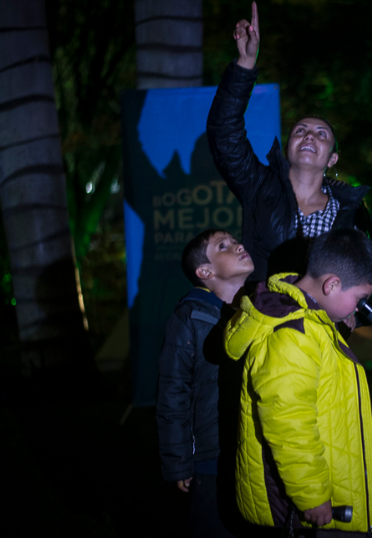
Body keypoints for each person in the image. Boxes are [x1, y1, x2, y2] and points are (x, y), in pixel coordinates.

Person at [223, 229, 372, 536]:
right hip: (317, 500)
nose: (360, 308)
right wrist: (312, 495)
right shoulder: (291, 336)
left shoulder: (312, 322)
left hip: (338, 483)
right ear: (332, 284)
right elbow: (288, 424)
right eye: (359, 299)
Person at [207, 2, 372, 283]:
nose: (310, 136)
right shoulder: (258, 186)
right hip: (267, 318)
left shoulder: (352, 210)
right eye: (300, 131)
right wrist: (245, 65)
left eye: (322, 134)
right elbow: (224, 132)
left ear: (332, 158)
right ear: (288, 148)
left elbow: (364, 274)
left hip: (325, 325)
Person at [156, 229, 255, 537]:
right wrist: (179, 463)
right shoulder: (189, 318)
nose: (238, 245)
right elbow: (172, 394)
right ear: (205, 271)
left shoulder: (262, 310)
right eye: (223, 246)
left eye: (235, 240)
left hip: (256, 454)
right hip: (211, 459)